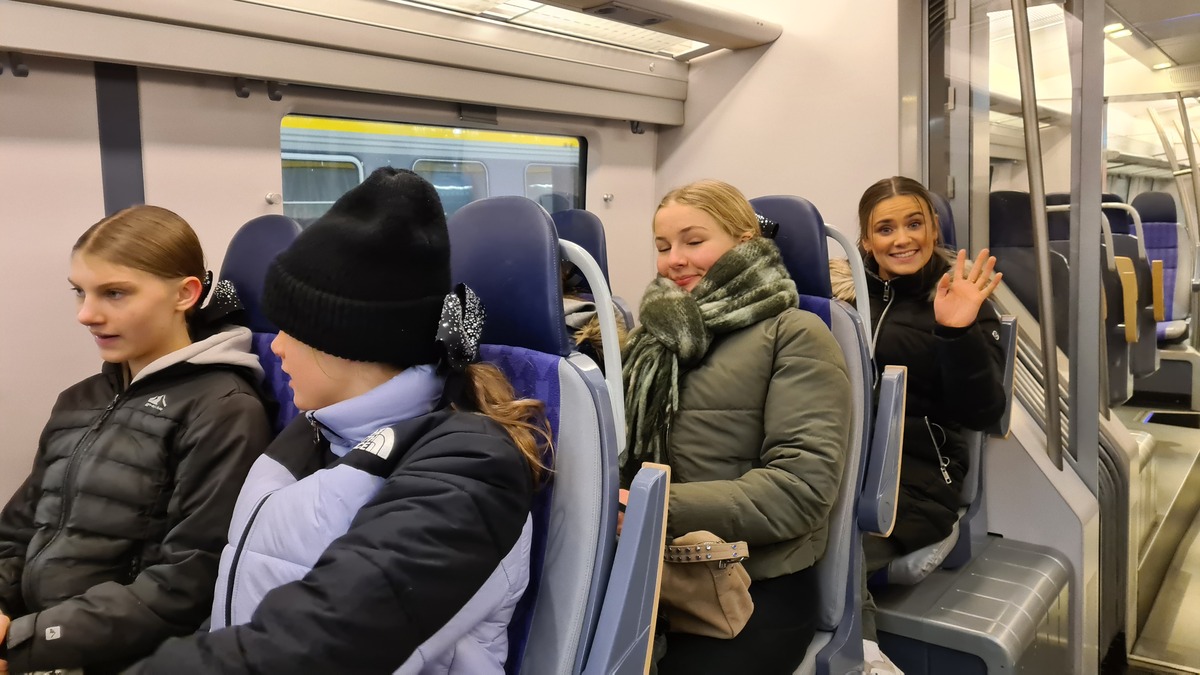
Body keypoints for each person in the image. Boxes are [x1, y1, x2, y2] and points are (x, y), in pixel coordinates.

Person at [130, 167, 548, 673]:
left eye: (290, 331)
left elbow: (326, 632)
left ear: (347, 343)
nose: (275, 348)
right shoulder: (314, 432)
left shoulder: (473, 465)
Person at [0, 206, 273, 674]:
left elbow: (186, 582)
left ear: (185, 294)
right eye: (79, 291)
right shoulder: (80, 399)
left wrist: (26, 642)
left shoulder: (223, 409)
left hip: (121, 658)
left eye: (114, 293)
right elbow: (19, 531)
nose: (86, 314)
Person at [621, 179, 851, 674]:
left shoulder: (796, 334)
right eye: (662, 246)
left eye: (693, 241)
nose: (674, 260)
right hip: (648, 570)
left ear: (745, 241)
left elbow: (801, 491)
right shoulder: (650, 339)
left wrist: (651, 509)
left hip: (752, 584)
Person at [831, 176, 1005, 673]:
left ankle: (864, 660)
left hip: (921, 477)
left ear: (933, 229)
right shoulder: (844, 301)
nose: (902, 239)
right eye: (885, 229)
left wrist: (957, 331)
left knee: (835, 548)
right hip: (843, 464)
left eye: (914, 224)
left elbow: (983, 412)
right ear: (866, 240)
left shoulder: (960, 297)